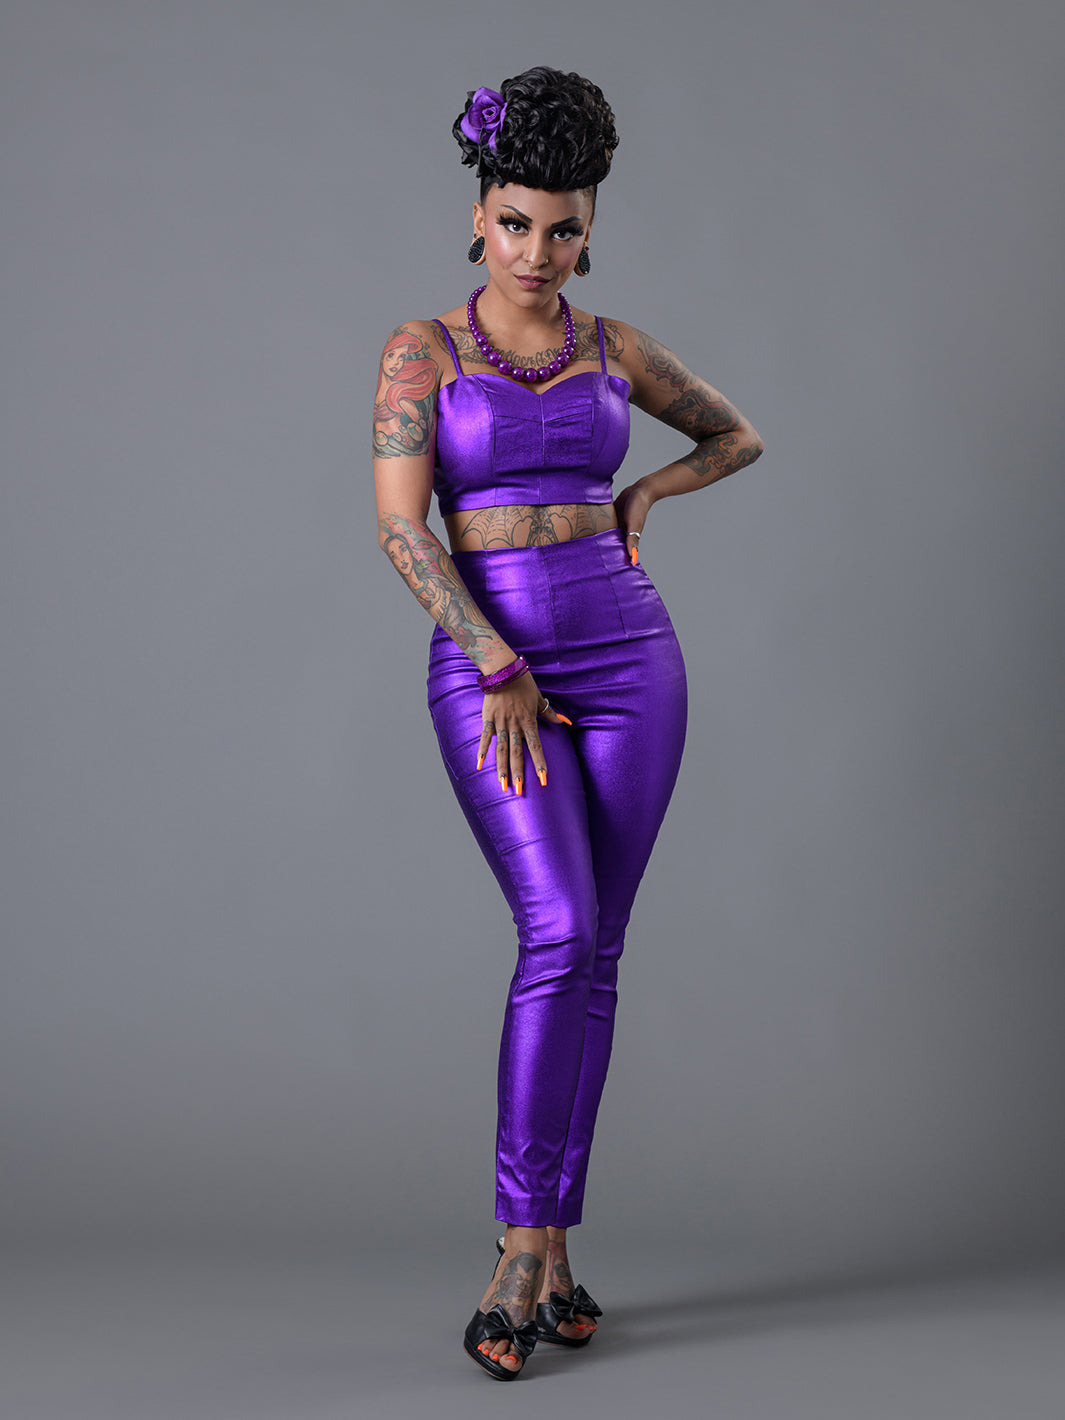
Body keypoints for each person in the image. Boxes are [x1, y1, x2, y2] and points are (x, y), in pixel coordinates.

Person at [372, 66, 764, 1381]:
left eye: (562, 228)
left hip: (631, 657)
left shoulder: (613, 348)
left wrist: (644, 495)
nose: (536, 252)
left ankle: (549, 1253)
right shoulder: (421, 352)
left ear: (589, 228)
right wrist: (494, 659)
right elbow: (400, 528)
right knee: (555, 932)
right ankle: (517, 1246)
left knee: (597, 950)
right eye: (515, 223)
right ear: (478, 217)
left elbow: (736, 436)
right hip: (498, 669)